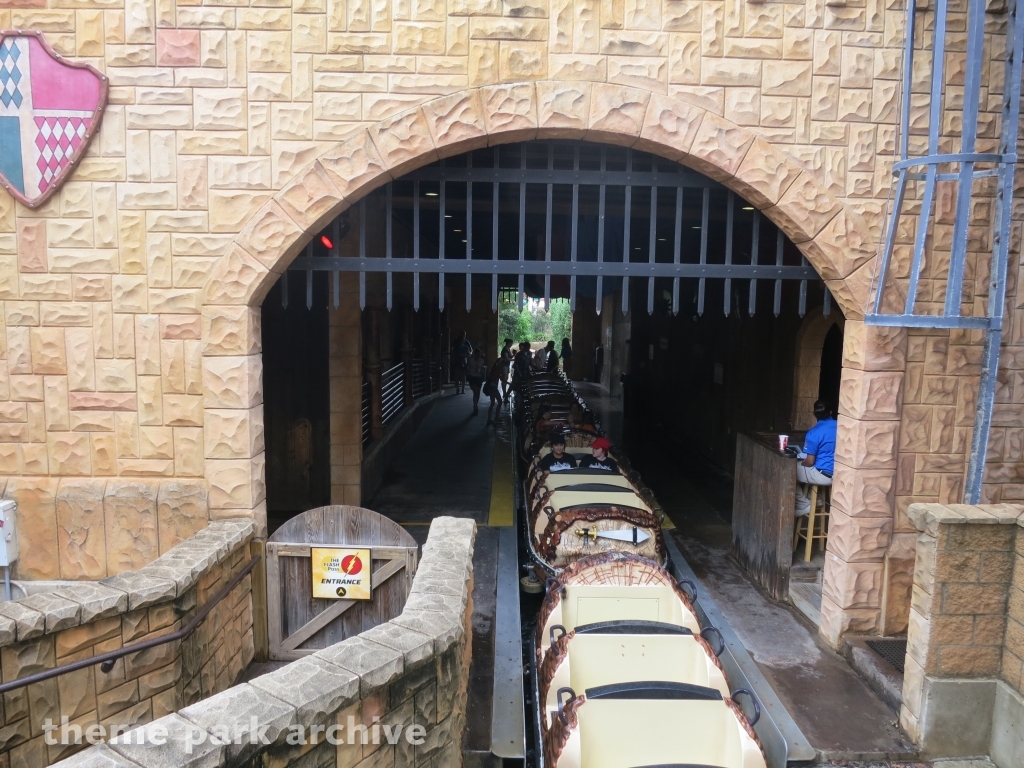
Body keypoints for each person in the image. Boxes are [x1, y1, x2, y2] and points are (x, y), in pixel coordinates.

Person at [795, 400, 837, 516]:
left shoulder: (814, 433)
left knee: (788, 471)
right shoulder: (841, 427)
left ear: (815, 414)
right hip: (840, 474)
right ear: (831, 412)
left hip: (823, 476)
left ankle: (804, 504)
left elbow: (809, 462)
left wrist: (801, 462)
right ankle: (816, 498)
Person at [466, 349, 487, 415]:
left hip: (479, 377)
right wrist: (468, 373)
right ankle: (475, 407)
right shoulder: (471, 360)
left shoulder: (481, 360)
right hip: (472, 377)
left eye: (479, 354)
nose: (479, 355)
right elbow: (467, 367)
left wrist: (483, 373)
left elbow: (483, 368)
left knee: (477, 393)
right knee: (475, 391)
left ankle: (475, 405)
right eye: (477, 354)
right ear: (475, 354)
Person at [484, 356, 504, 424]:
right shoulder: (497, 370)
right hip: (493, 387)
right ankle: (496, 417)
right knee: (500, 402)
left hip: (491, 387)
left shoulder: (494, 369)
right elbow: (502, 379)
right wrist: (510, 384)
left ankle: (489, 419)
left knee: (492, 403)